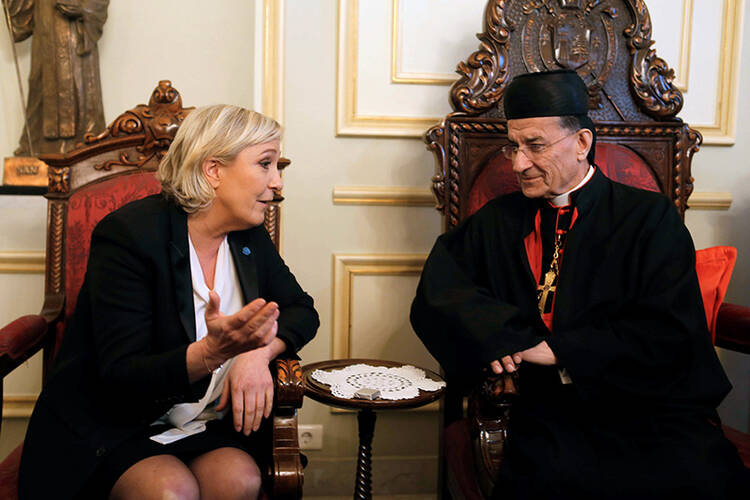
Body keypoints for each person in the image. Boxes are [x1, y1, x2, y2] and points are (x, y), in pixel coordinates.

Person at [410, 70, 749, 499]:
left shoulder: (649, 218)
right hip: (549, 409)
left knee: (701, 479)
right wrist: (502, 339)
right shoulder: (498, 221)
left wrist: (559, 350)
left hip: (648, 409)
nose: (518, 163)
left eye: (535, 146)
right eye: (513, 146)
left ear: (582, 143)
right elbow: (439, 293)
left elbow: (669, 330)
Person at [19, 105, 319, 499]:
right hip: (117, 425)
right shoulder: (129, 235)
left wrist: (256, 354)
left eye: (277, 166)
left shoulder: (247, 236)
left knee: (240, 480)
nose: (277, 182)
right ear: (213, 171)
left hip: (205, 423)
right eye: (265, 164)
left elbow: (302, 310)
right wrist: (211, 353)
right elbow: (122, 373)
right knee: (170, 491)